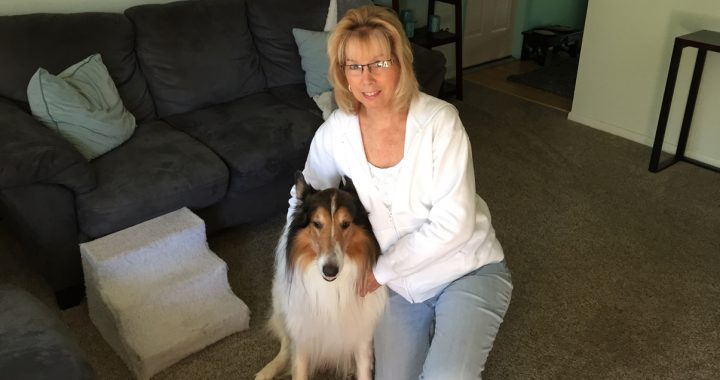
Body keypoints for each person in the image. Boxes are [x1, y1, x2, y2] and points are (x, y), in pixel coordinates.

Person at [288, 5, 512, 379]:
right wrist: (296, 271)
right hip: (400, 287)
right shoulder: (336, 132)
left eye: (379, 63)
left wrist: (381, 271)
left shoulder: (441, 122)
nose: (367, 79)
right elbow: (301, 201)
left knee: (447, 376)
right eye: (353, 66)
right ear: (342, 73)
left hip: (466, 269)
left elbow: (453, 225)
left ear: (401, 62)